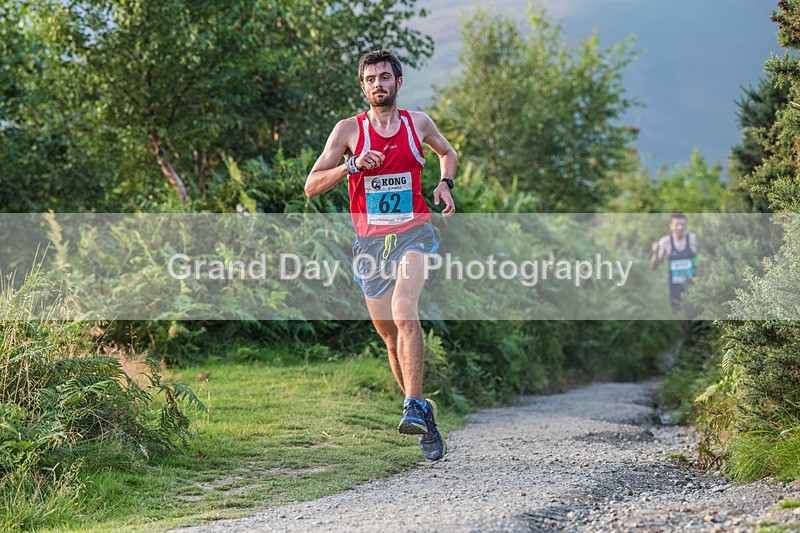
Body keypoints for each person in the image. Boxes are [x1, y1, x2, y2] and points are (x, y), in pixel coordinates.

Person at [304, 50, 457, 461]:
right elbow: (312, 184)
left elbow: (448, 152)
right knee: (389, 338)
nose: (378, 84)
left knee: (405, 309)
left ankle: (411, 406)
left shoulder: (417, 123)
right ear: (362, 86)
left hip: (413, 233)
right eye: (370, 78)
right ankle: (422, 408)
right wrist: (351, 166)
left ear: (398, 83)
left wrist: (445, 185)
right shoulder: (348, 130)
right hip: (370, 244)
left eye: (385, 77)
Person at [650, 213, 698, 321]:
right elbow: (654, 266)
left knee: (695, 311)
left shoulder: (692, 239)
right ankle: (687, 334)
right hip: (674, 284)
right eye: (677, 224)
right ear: (670, 226)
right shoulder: (665, 242)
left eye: (683, 224)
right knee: (677, 312)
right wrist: (655, 253)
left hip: (692, 283)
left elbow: (703, 257)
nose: (680, 227)